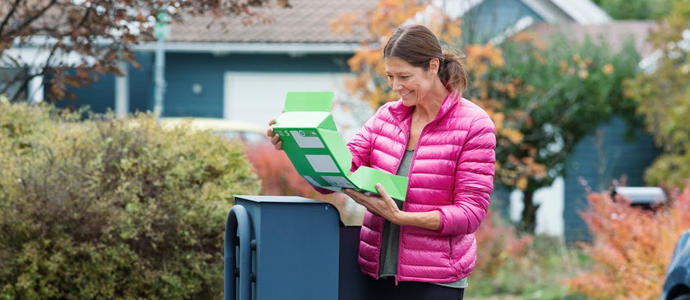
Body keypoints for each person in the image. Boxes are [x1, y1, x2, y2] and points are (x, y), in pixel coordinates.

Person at [267, 24, 496, 300]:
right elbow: (341, 172)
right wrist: (298, 143)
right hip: (375, 274)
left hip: (435, 281)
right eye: (389, 76)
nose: (395, 86)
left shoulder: (474, 124)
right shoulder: (386, 117)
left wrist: (401, 218)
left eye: (404, 76)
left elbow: (470, 214)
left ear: (433, 67)